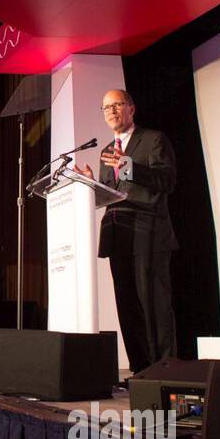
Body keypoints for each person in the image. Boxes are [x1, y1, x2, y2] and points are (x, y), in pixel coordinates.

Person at [77, 89, 178, 374]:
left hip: (148, 231)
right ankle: (140, 371)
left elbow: (167, 180)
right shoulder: (107, 152)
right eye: (106, 107)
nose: (111, 111)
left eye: (117, 104)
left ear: (131, 109)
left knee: (153, 305)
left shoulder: (153, 139)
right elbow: (112, 193)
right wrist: (90, 186)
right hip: (118, 232)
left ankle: (164, 371)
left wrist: (130, 166)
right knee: (128, 306)